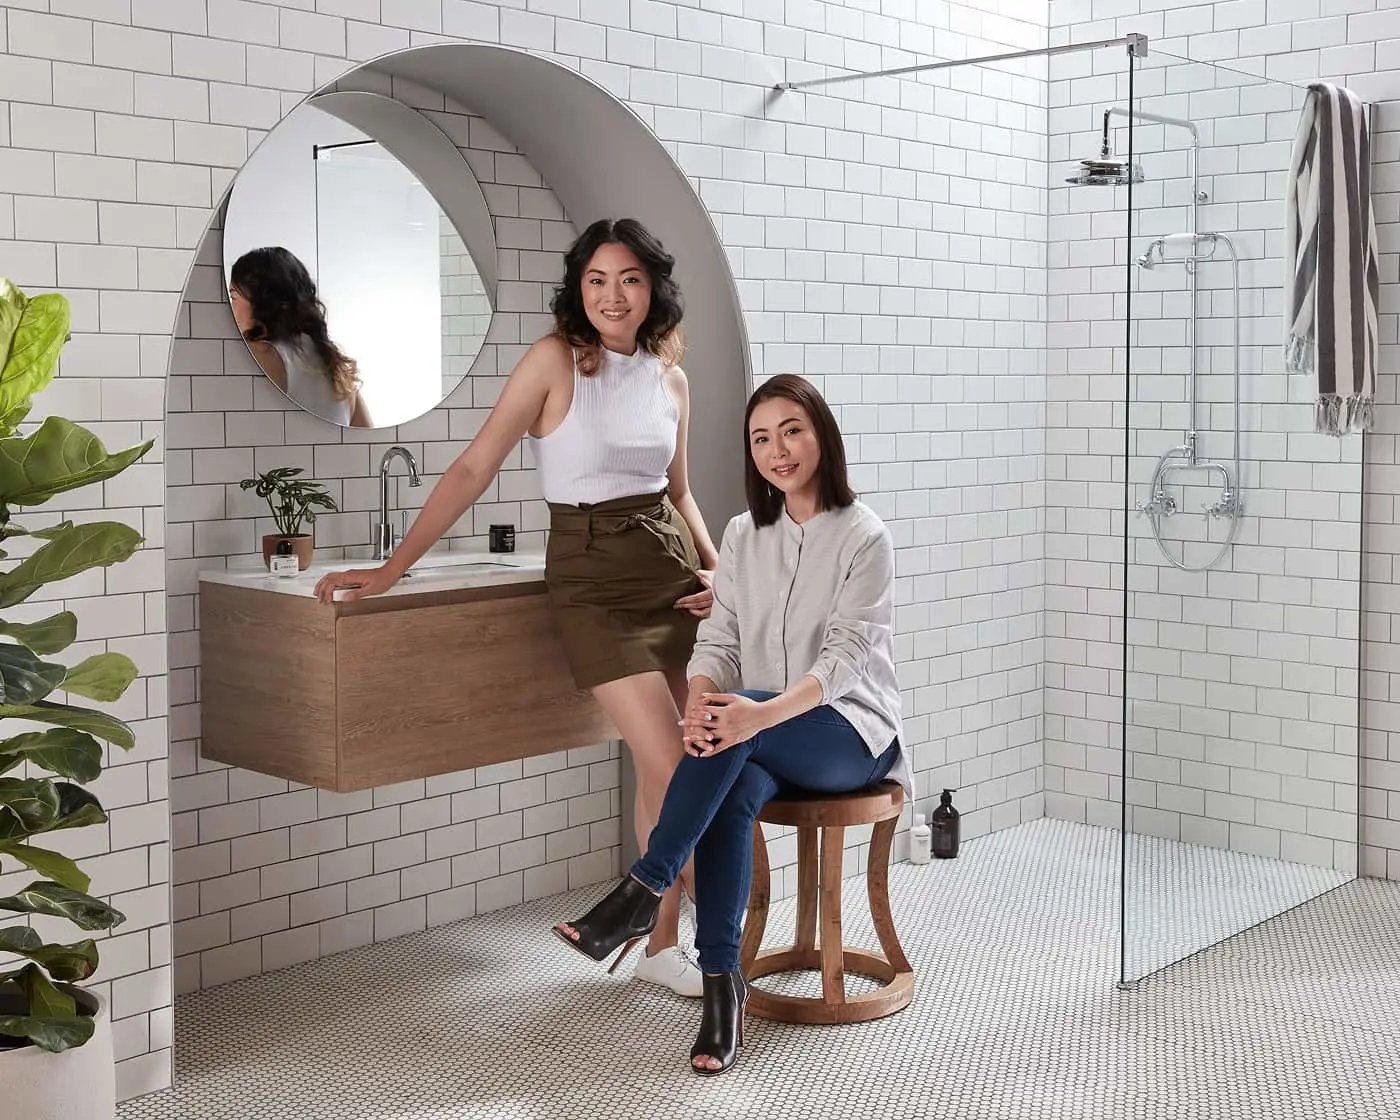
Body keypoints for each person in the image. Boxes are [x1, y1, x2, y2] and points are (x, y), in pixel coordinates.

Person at [313, 218, 719, 997]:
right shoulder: (554, 362)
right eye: (596, 279)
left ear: (653, 290)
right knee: (672, 762)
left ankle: (665, 942)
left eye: (629, 279)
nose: (611, 295)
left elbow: (680, 493)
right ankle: (665, 916)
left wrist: (720, 572)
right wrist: (394, 570)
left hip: (668, 574)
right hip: (592, 579)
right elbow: (472, 467)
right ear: (578, 287)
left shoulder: (670, 376)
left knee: (670, 765)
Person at [553, 373, 913, 1076]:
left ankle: (644, 888)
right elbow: (717, 642)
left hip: (849, 734)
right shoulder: (745, 535)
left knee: (734, 735)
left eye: (792, 431)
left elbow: (844, 663)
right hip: (760, 731)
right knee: (731, 787)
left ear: (821, 436)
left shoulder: (865, 535)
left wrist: (751, 713)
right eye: (761, 438)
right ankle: (725, 994)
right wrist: (703, 699)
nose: (778, 450)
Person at [229, 246, 373, 428]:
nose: (230, 308)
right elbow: (366, 434)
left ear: (261, 300)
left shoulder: (260, 355)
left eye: (234, 297)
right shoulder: (335, 363)